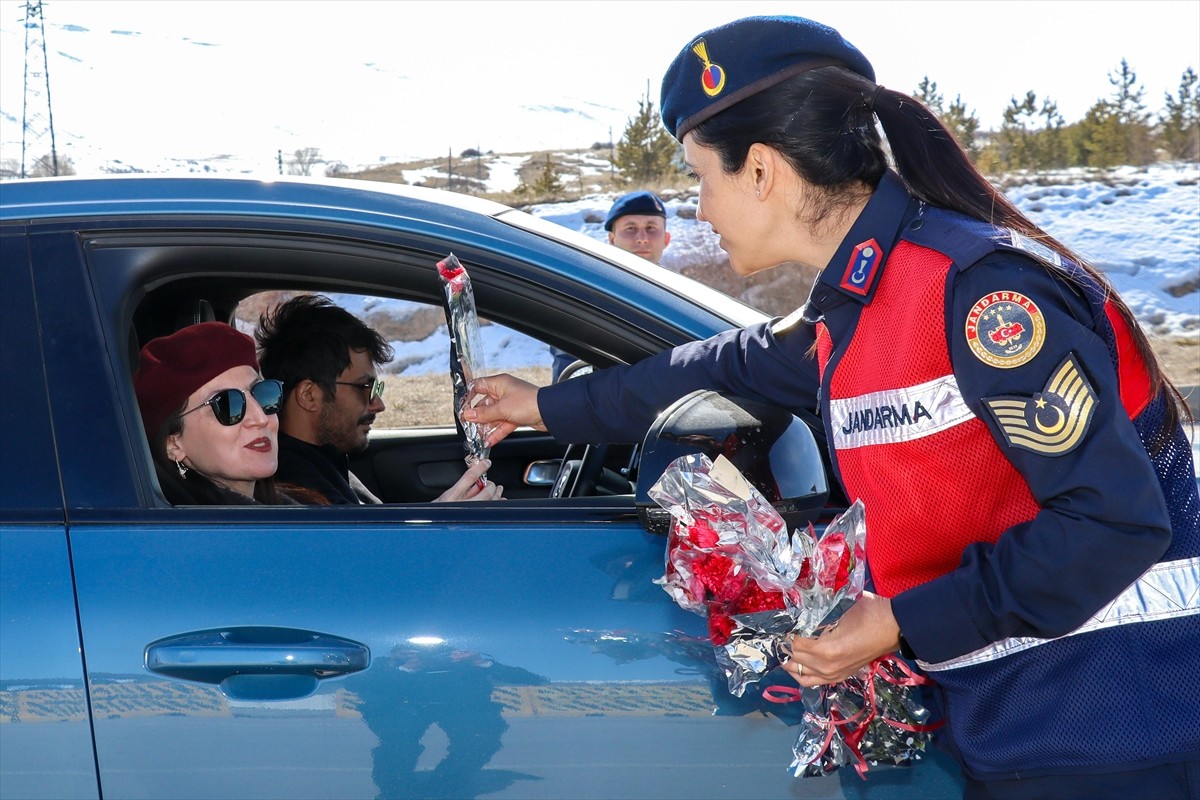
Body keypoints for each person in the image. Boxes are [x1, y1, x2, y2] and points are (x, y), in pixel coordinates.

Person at [462, 15, 1200, 799]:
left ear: (764, 171)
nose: (698, 208)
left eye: (699, 175)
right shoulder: (861, 298)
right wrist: (546, 404)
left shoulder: (981, 295)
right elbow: (720, 365)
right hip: (1025, 718)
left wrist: (897, 620)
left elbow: (1112, 524)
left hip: (1119, 724)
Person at [255, 294, 501, 505]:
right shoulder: (294, 491)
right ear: (309, 395)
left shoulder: (326, 463)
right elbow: (361, 556)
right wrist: (440, 524)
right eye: (364, 387)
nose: (378, 404)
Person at [134, 321, 293, 505]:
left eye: (263, 393)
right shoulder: (186, 530)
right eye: (227, 404)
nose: (260, 418)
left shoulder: (297, 511)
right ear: (173, 444)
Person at [550, 190, 673, 381]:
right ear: (612, 239)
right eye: (630, 228)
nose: (642, 238)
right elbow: (570, 373)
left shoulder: (680, 299)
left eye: (651, 228)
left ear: (666, 239)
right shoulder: (587, 298)